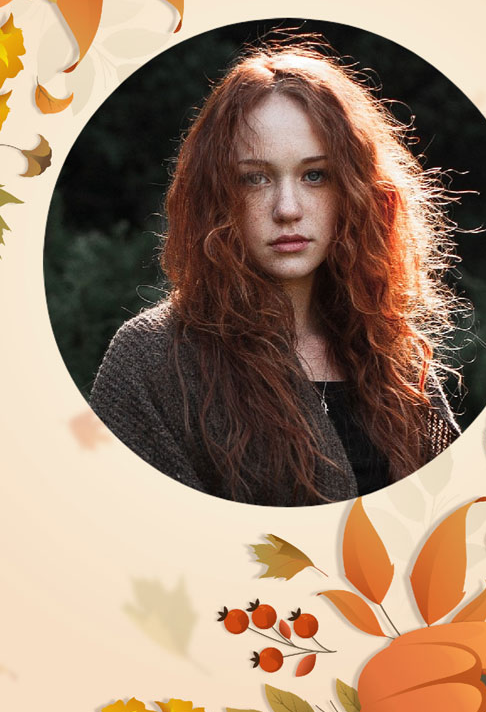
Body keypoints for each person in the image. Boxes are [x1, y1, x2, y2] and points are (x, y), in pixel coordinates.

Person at [90, 37, 461, 505]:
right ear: (216, 195)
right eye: (255, 178)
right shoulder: (152, 358)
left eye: (315, 175)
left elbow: (455, 515)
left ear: (355, 190)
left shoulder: (390, 352)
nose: (287, 209)